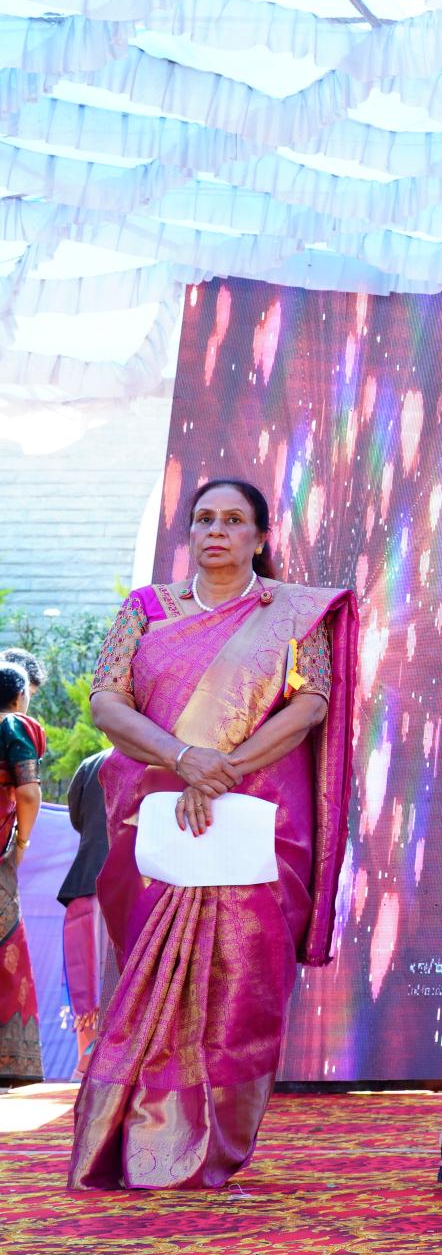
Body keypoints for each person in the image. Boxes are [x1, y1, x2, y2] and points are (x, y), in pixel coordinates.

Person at [68, 477, 356, 1190]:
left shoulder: (294, 613)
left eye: (232, 520)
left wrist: (221, 771)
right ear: (189, 532)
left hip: (260, 815)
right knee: (151, 977)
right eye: (203, 519)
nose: (215, 531)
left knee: (241, 982)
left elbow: (311, 705)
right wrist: (184, 760)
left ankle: (212, 1148)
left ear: (259, 537)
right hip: (158, 808)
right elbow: (107, 702)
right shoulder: (145, 609)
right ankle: (133, 1142)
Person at [0, 657, 44, 1082]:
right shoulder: (12, 726)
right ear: (19, 697)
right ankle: (11, 1063)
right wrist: (22, 843)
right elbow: (28, 792)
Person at [58, 751, 112, 1072]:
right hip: (129, 882)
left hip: (84, 881)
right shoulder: (157, 758)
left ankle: (88, 1067)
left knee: (89, 978)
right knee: (120, 975)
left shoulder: (89, 765)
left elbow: (78, 819)